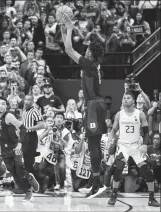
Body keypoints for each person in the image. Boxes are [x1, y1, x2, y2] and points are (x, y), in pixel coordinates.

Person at [61, 19, 107, 198]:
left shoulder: (90, 64)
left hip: (94, 105)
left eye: (87, 49)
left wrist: (70, 29)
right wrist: (65, 30)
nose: (85, 50)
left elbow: (68, 50)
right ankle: (97, 182)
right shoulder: (92, 65)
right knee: (93, 145)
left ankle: (98, 184)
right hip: (95, 104)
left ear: (91, 53)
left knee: (93, 145)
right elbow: (68, 49)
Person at [107, 92, 160, 207]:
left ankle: (151, 198)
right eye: (124, 98)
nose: (125, 100)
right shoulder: (119, 114)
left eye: (128, 98)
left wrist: (145, 145)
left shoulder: (140, 114)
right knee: (118, 168)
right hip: (123, 146)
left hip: (136, 146)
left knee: (147, 170)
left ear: (133, 101)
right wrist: (110, 140)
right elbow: (113, 130)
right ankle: (114, 194)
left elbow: (146, 132)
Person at [0, 97, 39, 202]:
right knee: (14, 174)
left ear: (6, 106)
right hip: (4, 149)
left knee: (19, 172)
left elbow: (23, 129)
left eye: (3, 104)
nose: (0, 105)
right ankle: (29, 180)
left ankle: (29, 191)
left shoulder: (9, 116)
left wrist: (19, 144)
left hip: (14, 147)